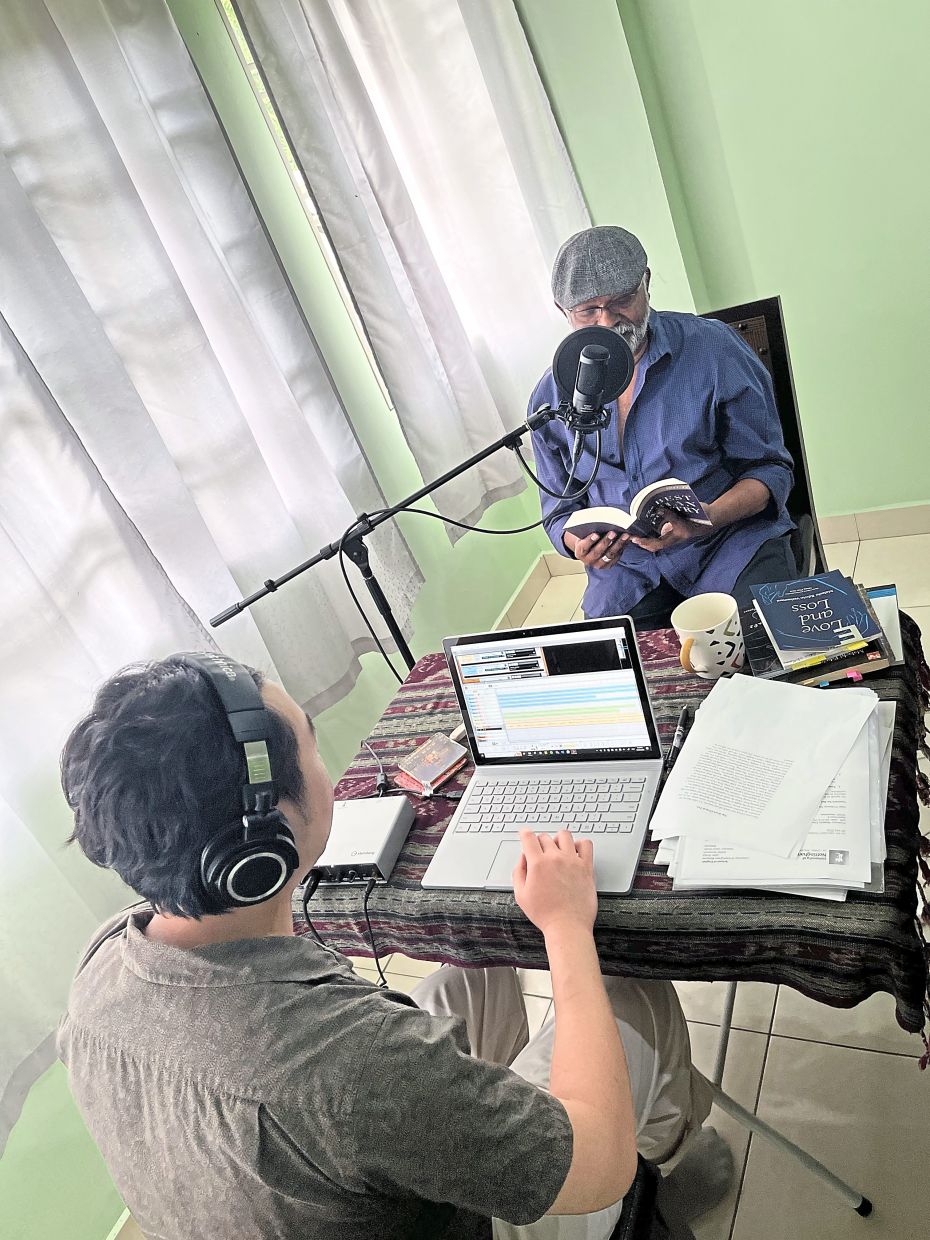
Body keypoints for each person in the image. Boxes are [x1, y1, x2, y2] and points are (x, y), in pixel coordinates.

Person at [58, 654, 729, 1240]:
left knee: (465, 971)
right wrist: (565, 927)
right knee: (628, 993)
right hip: (513, 1201)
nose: (327, 767)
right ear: (261, 846)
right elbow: (592, 1159)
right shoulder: (354, 1069)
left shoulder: (104, 959)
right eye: (314, 748)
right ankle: (648, 1186)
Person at [530, 225, 798, 629]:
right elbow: (558, 513)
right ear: (562, 311)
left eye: (622, 301)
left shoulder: (715, 349)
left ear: (646, 284)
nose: (608, 322)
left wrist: (706, 517)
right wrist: (578, 544)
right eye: (588, 311)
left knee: (761, 650)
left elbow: (771, 470)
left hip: (727, 544)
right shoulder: (550, 400)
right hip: (627, 574)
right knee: (618, 677)